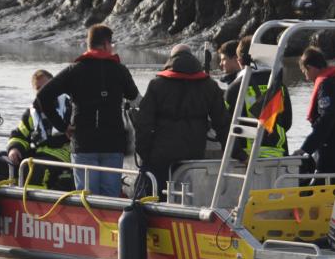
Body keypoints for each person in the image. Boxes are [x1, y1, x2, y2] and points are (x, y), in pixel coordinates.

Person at [36, 24, 139, 197]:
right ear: (106, 44)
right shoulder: (120, 70)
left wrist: (63, 127)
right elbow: (134, 96)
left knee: (86, 199)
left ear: (88, 45)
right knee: (110, 200)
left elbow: (43, 96)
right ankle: (109, 223)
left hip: (84, 143)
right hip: (112, 144)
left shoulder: (74, 70)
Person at [135, 44, 229, 199]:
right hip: (194, 151)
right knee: (188, 195)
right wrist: (235, 152)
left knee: (156, 195)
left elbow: (143, 123)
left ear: (171, 59)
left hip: (161, 153)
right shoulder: (209, 85)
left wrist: (144, 152)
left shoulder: (157, 84)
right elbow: (223, 122)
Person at [293, 47, 335, 186]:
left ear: (310, 68)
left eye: (304, 72)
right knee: (324, 182)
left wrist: (305, 148)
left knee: (318, 188)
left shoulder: (327, 85)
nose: (306, 77)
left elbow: (326, 120)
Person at [224, 36, 292, 159]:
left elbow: (224, 124)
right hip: (278, 155)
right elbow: (287, 122)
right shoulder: (278, 85)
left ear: (239, 60)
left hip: (247, 159)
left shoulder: (234, 88)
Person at [6, 69, 75, 191]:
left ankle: (32, 206)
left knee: (34, 168)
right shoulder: (32, 113)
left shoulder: (70, 107)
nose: (43, 91)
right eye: (38, 88)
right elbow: (20, 134)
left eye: (46, 86)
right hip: (39, 153)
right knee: (2, 159)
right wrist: (14, 149)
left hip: (64, 153)